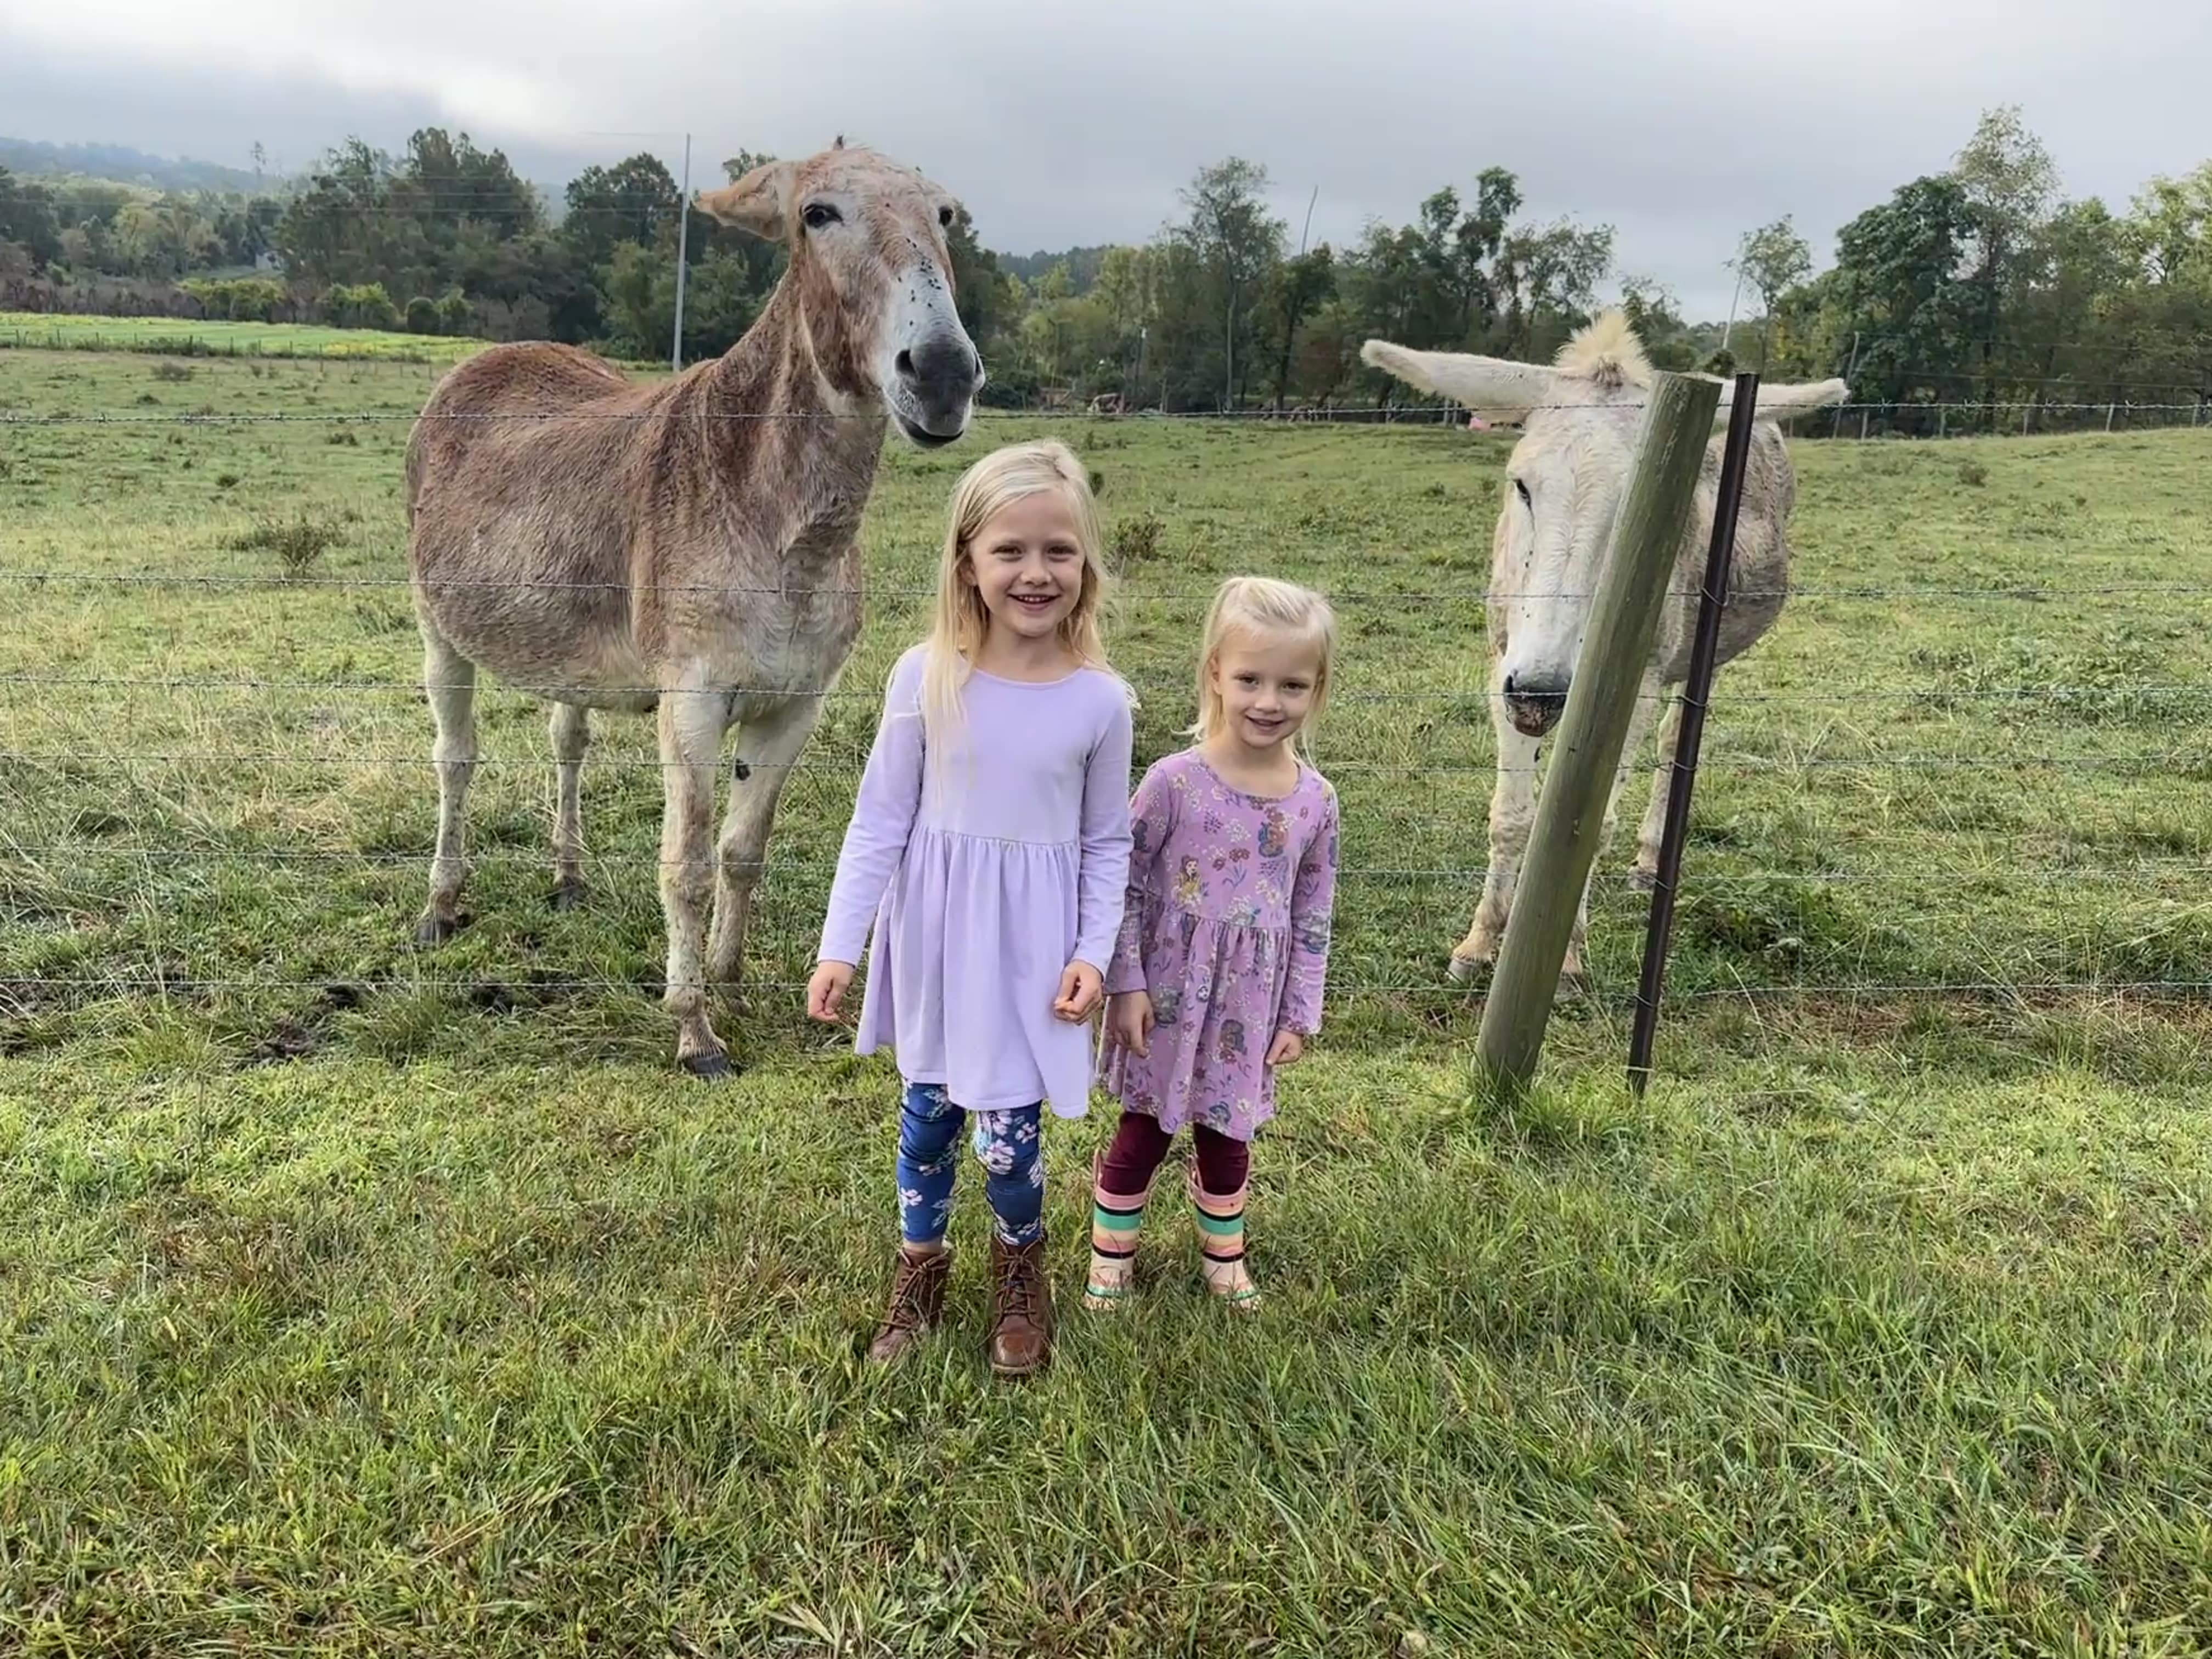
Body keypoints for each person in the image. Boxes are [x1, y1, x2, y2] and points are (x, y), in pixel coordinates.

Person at [809, 439, 1132, 1378]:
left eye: (1059, 551)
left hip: (1034, 956)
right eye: (1010, 551)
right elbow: (880, 819)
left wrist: (1094, 953)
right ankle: (921, 1265)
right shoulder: (925, 676)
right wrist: (841, 945)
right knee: (928, 1120)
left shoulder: (1101, 702)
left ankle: (1020, 1267)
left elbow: (1107, 842)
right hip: (938, 945)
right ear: (967, 562)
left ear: (1086, 564)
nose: (1036, 573)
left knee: (1010, 1142)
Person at [1090, 575, 1340, 1314]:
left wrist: (1299, 1014)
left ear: (1318, 689)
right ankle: (1111, 1262)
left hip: (1248, 1007)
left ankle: (1224, 1262)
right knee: (1142, 1132)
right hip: (1164, 998)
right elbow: (1121, 884)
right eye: (1251, 679)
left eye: (1292, 685)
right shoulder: (1173, 783)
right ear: (1216, 676)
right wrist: (1126, 985)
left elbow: (1314, 911)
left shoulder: (1316, 801)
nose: (1269, 701)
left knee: (1228, 1137)